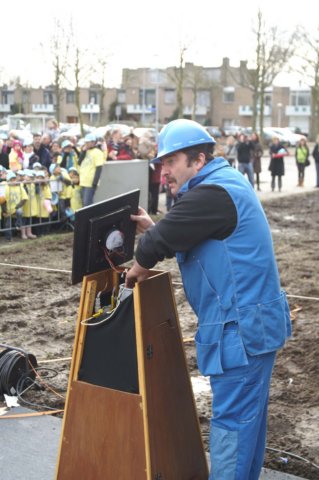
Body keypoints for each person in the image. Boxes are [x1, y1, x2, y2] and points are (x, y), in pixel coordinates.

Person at [125, 119, 292, 480]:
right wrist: (156, 229)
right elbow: (193, 237)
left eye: (170, 162)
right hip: (254, 325)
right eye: (161, 163)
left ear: (198, 160)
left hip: (241, 332)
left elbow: (158, 244)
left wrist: (137, 267)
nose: (163, 171)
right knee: (248, 424)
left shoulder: (212, 193)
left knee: (232, 426)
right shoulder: (222, 186)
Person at [78, 133, 105, 207]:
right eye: (85, 142)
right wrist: (83, 152)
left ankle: (89, 218)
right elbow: (79, 162)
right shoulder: (85, 151)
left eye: (88, 142)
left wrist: (95, 183)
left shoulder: (98, 152)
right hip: (83, 181)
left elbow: (99, 168)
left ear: (93, 142)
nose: (86, 144)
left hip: (90, 182)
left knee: (87, 204)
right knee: (84, 204)